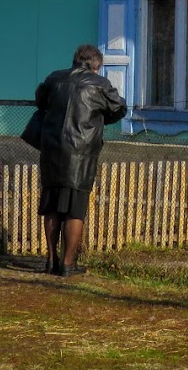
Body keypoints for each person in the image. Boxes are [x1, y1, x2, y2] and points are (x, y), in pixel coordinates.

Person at [35, 44, 127, 276]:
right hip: (81, 154)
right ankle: (67, 265)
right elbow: (119, 108)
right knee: (75, 211)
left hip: (52, 150)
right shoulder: (100, 84)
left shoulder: (54, 79)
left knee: (52, 207)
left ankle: (50, 260)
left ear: (75, 60)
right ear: (97, 66)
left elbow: (40, 100)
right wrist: (99, 118)